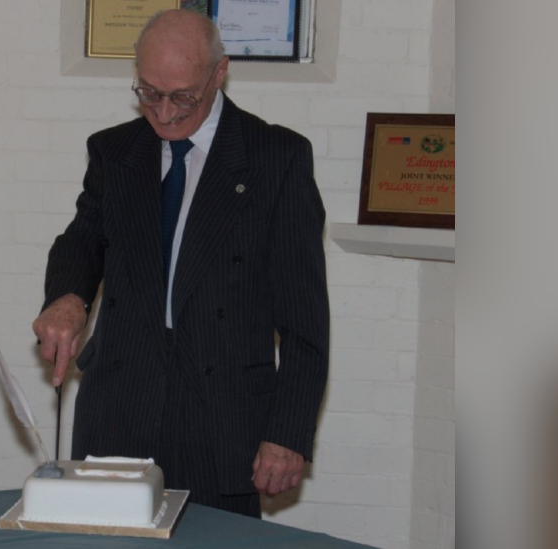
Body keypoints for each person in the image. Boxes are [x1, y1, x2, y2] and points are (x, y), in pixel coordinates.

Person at [32, 9, 329, 518]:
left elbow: (305, 321)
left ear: (220, 72)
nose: (164, 113)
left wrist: (287, 432)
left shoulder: (275, 158)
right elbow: (82, 240)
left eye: (183, 97)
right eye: (148, 92)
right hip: (119, 410)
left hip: (222, 422)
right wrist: (67, 297)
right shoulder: (114, 152)